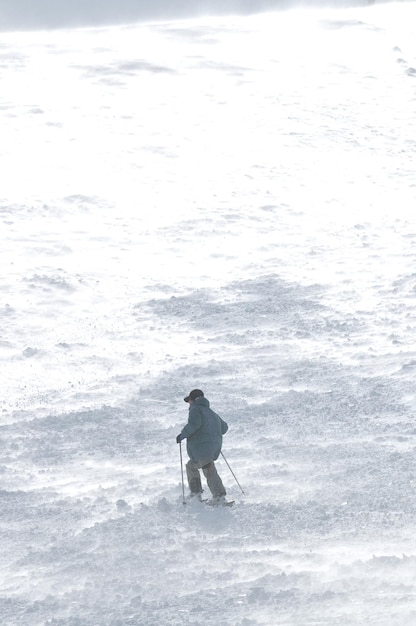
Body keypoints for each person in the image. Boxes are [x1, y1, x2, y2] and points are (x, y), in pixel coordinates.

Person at [176, 389, 228, 502]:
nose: (189, 404)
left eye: (189, 401)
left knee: (192, 467)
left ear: (193, 400)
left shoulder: (195, 409)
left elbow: (194, 424)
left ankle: (197, 494)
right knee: (207, 467)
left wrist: (182, 435)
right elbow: (224, 428)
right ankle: (219, 496)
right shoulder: (211, 412)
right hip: (213, 448)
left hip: (201, 448)